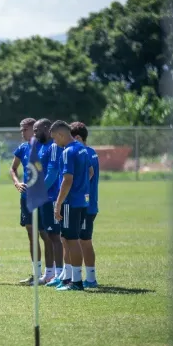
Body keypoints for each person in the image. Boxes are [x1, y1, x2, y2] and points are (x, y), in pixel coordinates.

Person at [50, 120, 93, 291]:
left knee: (71, 240)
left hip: (70, 202)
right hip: (83, 201)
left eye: (55, 138)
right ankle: (70, 278)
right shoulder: (82, 148)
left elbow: (67, 180)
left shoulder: (68, 151)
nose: (55, 142)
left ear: (61, 134)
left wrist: (58, 203)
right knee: (69, 238)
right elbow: (90, 172)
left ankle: (76, 282)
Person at [11, 118, 46, 285]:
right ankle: (36, 273)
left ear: (35, 129)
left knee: (47, 235)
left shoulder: (44, 147)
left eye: (25, 129)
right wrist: (17, 183)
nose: (22, 133)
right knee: (32, 236)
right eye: (21, 130)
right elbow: (13, 168)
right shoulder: (22, 148)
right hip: (26, 198)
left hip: (43, 199)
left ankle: (51, 273)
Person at [34, 119, 66, 288]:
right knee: (48, 235)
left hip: (52, 197)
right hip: (45, 198)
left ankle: (60, 273)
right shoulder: (41, 147)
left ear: (46, 129)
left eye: (36, 130)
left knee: (55, 236)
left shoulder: (54, 147)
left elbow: (53, 174)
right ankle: (50, 273)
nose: (34, 134)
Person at [70, 122, 100, 288]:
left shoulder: (83, 153)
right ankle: (88, 277)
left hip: (85, 205)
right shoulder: (92, 152)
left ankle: (90, 279)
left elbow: (88, 175)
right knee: (82, 240)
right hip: (90, 204)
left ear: (78, 138)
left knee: (83, 240)